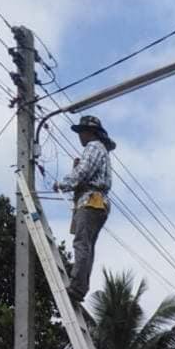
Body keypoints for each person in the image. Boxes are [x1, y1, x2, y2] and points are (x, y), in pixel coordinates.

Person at [54, 114, 115, 305]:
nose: (79, 136)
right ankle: (80, 286)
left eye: (81, 132)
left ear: (90, 132)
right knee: (87, 246)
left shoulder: (94, 147)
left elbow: (83, 172)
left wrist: (62, 184)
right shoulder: (101, 150)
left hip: (91, 201)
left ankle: (77, 287)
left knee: (82, 244)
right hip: (97, 203)